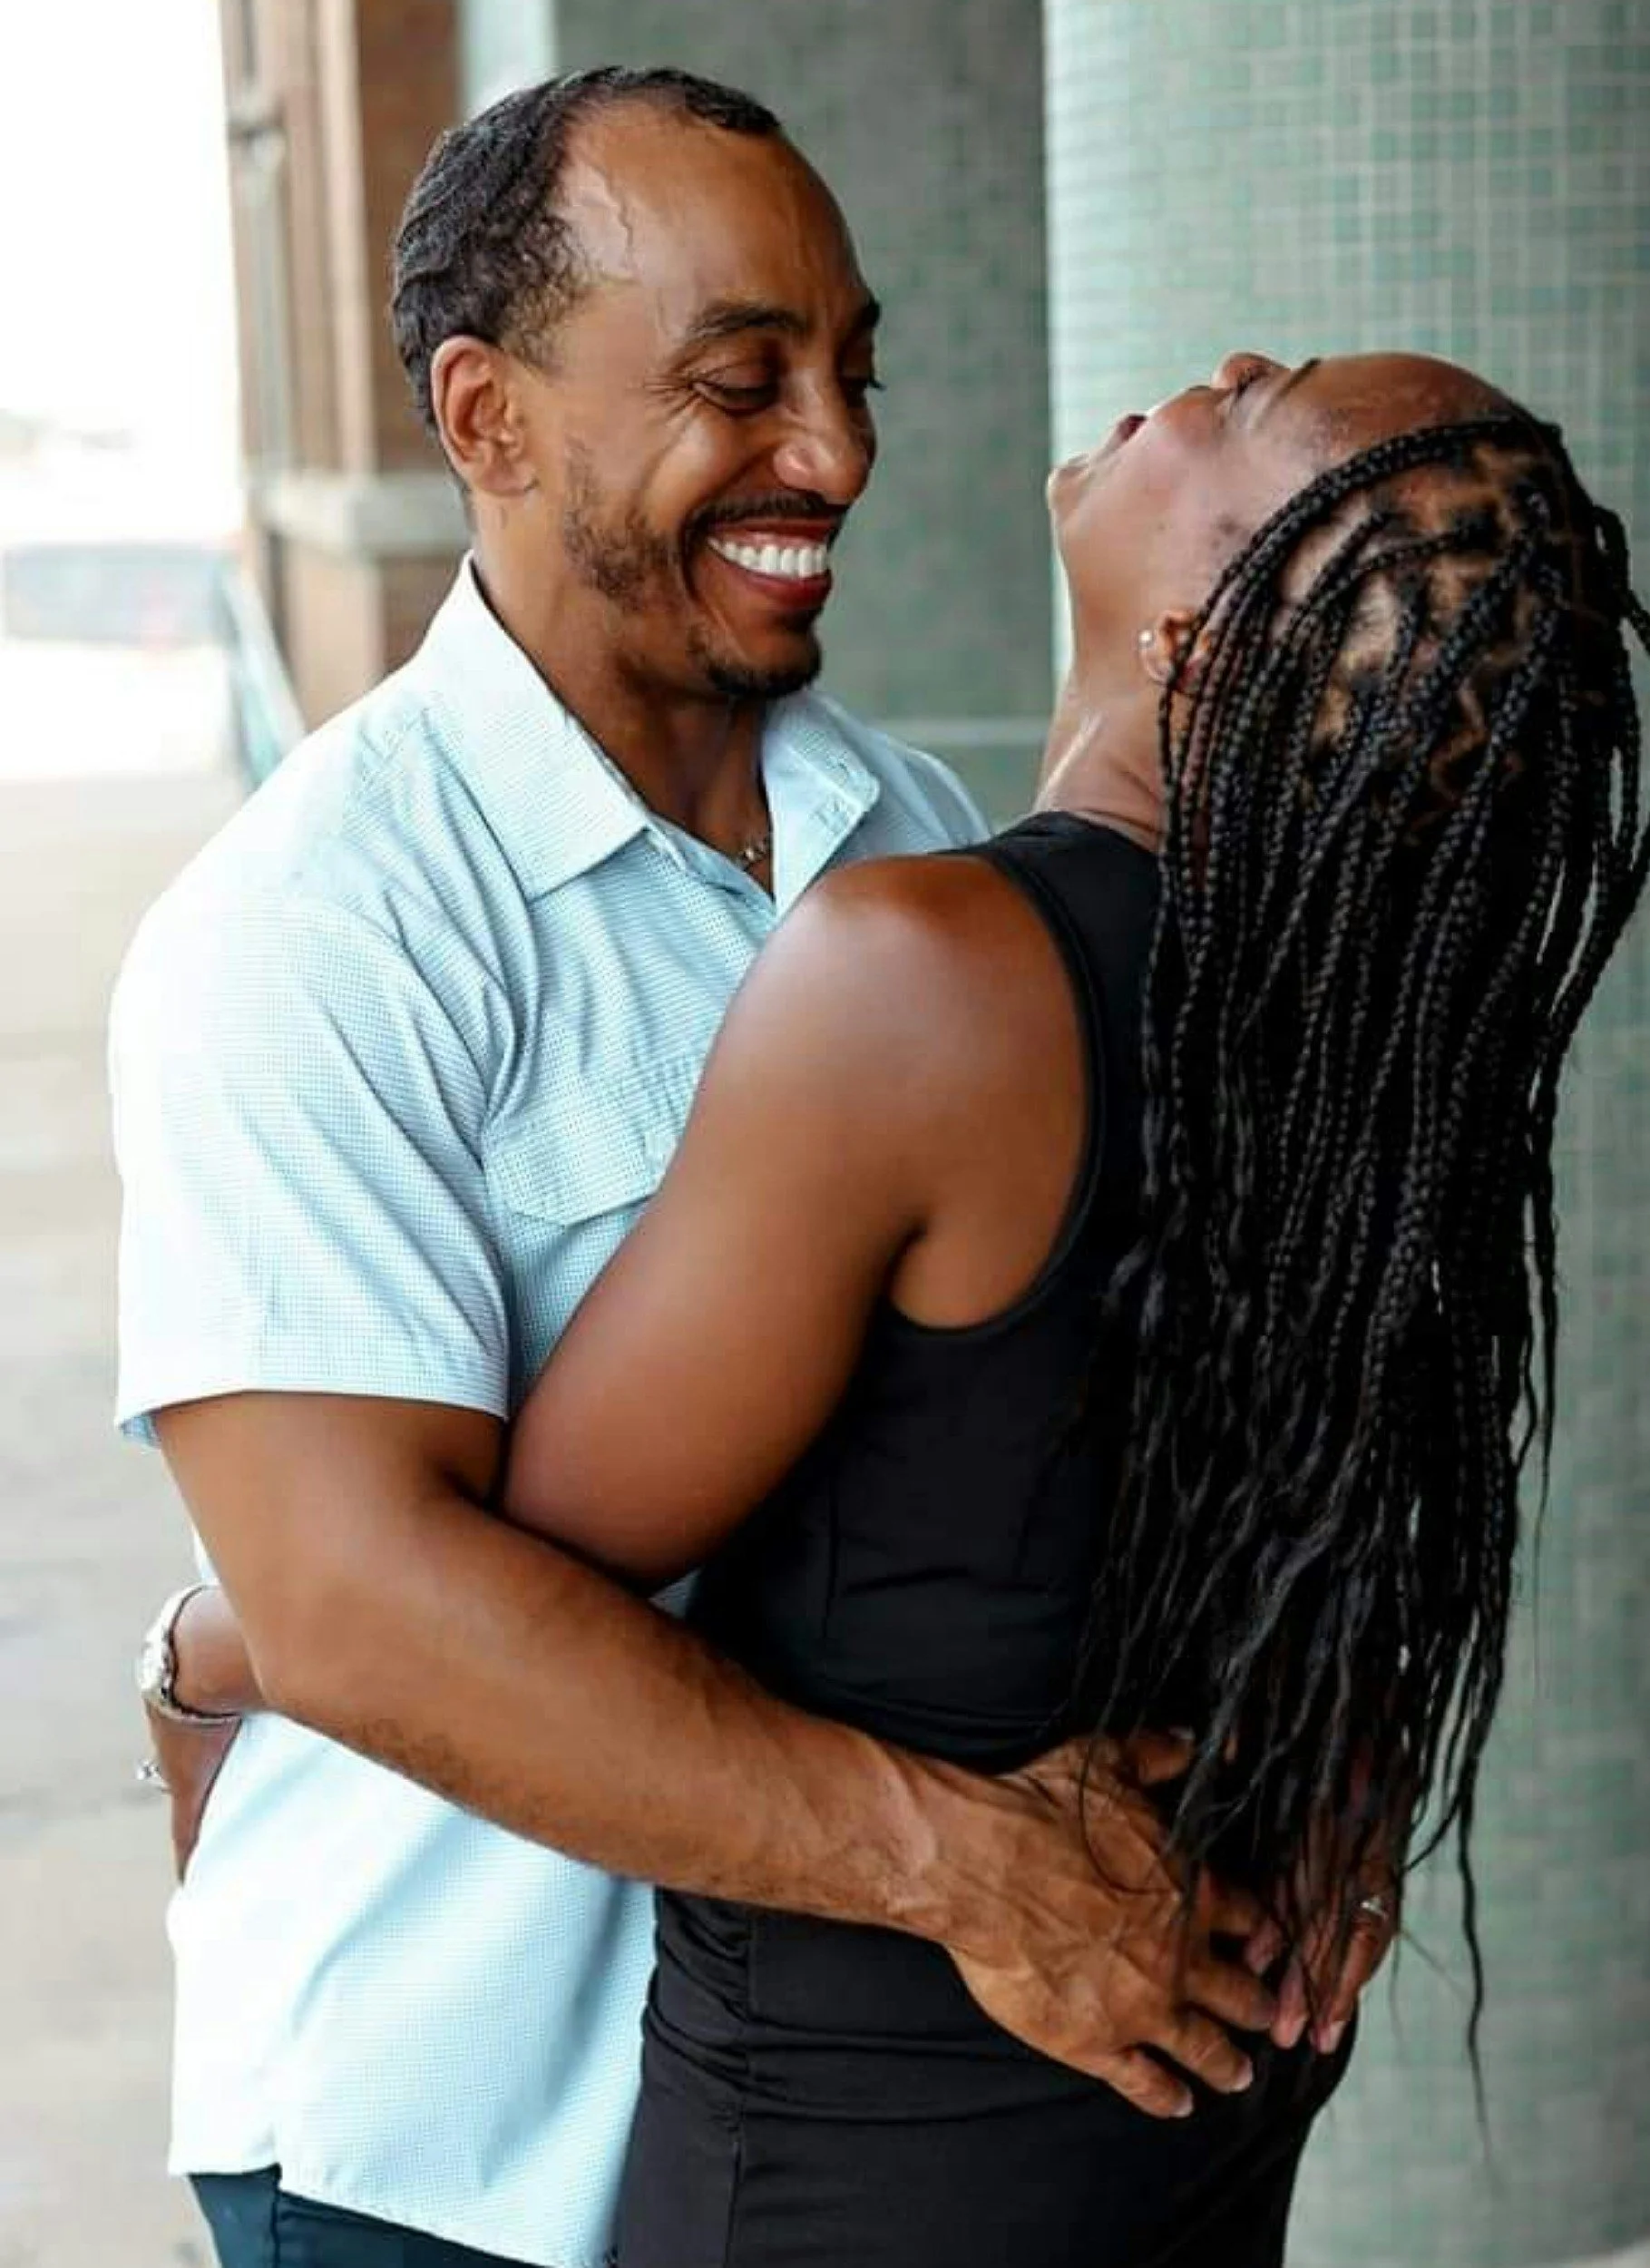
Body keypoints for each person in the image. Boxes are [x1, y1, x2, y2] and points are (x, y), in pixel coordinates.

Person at [114, 66, 1275, 2268]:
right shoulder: (310, 932)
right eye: (742, 382)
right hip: (449, 2143)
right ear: (488, 416)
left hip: (831, 2125)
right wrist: (967, 1859)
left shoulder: (927, 849)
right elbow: (356, 1604)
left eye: (851, 373)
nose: (832, 455)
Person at [472, 347, 1650, 2265]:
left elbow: (522, 1567)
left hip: (877, 2142)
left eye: (1257, 402)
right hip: (1187, 2080)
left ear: (1200, 640)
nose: (1208, 373)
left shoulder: (922, 978)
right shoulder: (1378, 1026)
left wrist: (234, 1633)